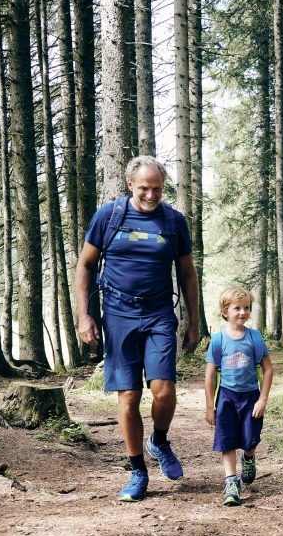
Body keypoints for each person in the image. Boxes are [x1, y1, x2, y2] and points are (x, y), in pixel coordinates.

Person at [74, 156, 199, 502]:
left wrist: (194, 321)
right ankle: (137, 471)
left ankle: (159, 440)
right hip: (118, 315)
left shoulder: (173, 221)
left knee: (164, 391)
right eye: (144, 188)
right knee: (128, 397)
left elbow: (188, 274)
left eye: (157, 188)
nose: (151, 195)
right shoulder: (108, 216)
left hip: (159, 313)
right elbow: (85, 266)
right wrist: (84, 316)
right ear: (130, 184)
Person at [204, 287, 274, 506]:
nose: (243, 312)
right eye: (237, 308)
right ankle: (231, 483)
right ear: (225, 311)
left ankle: (249, 457)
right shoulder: (218, 340)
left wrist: (263, 399)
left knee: (251, 439)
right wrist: (209, 407)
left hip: (251, 397)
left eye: (246, 308)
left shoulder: (255, 338)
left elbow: (268, 370)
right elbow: (210, 376)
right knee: (227, 440)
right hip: (226, 397)